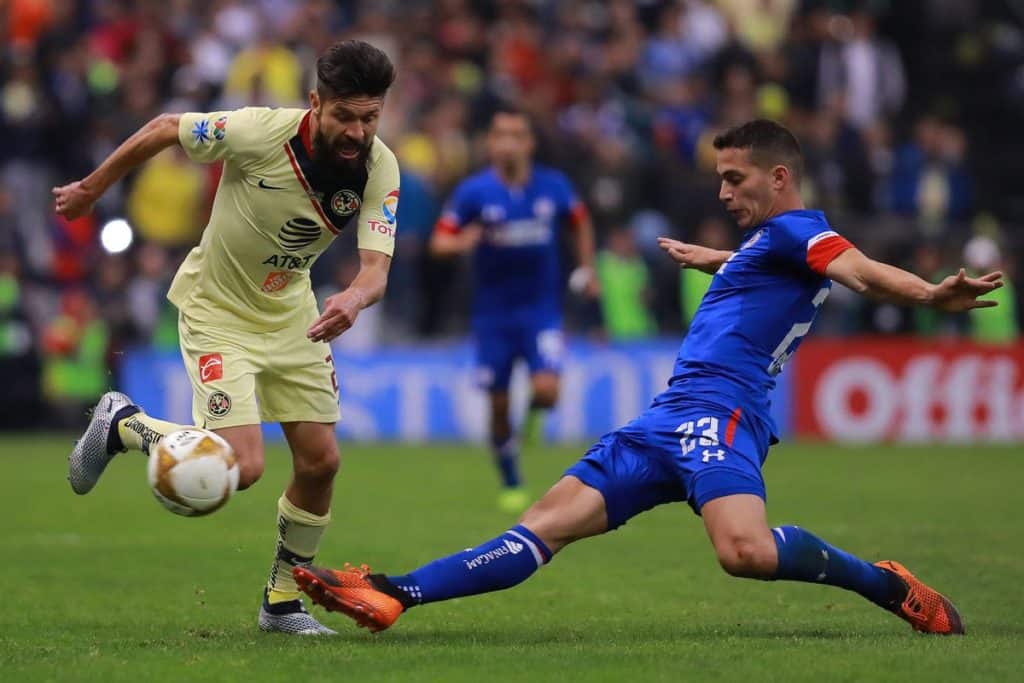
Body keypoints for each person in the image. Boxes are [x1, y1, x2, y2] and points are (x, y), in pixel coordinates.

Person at [293, 120, 1003, 636]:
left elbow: (858, 270)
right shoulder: (769, 245)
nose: (723, 190)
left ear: (779, 178)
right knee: (541, 527)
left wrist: (930, 295)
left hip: (721, 414)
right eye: (719, 178)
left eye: (736, 178)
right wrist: (721, 258)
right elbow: (776, 270)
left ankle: (886, 584)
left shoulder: (800, 232)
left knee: (745, 553)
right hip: (666, 417)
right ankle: (393, 591)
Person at [54, 40, 400, 636]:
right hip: (218, 311)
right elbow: (167, 128)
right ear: (316, 103)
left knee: (321, 463)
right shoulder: (258, 132)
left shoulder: (378, 167)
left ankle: (282, 603)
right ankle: (124, 424)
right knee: (242, 465)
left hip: (295, 313)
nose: (357, 131)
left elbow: (374, 270)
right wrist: (92, 187)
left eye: (369, 117)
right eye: (345, 115)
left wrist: (354, 298)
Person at [429, 105, 599, 513]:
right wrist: (461, 242)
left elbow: (579, 221)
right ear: (490, 143)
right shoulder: (474, 192)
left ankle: (536, 417)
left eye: (516, 135)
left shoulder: (553, 186)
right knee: (499, 406)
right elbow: (439, 242)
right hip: (493, 316)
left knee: (547, 390)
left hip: (542, 310)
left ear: (529, 143)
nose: (508, 143)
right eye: (500, 135)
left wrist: (587, 266)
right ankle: (509, 476)